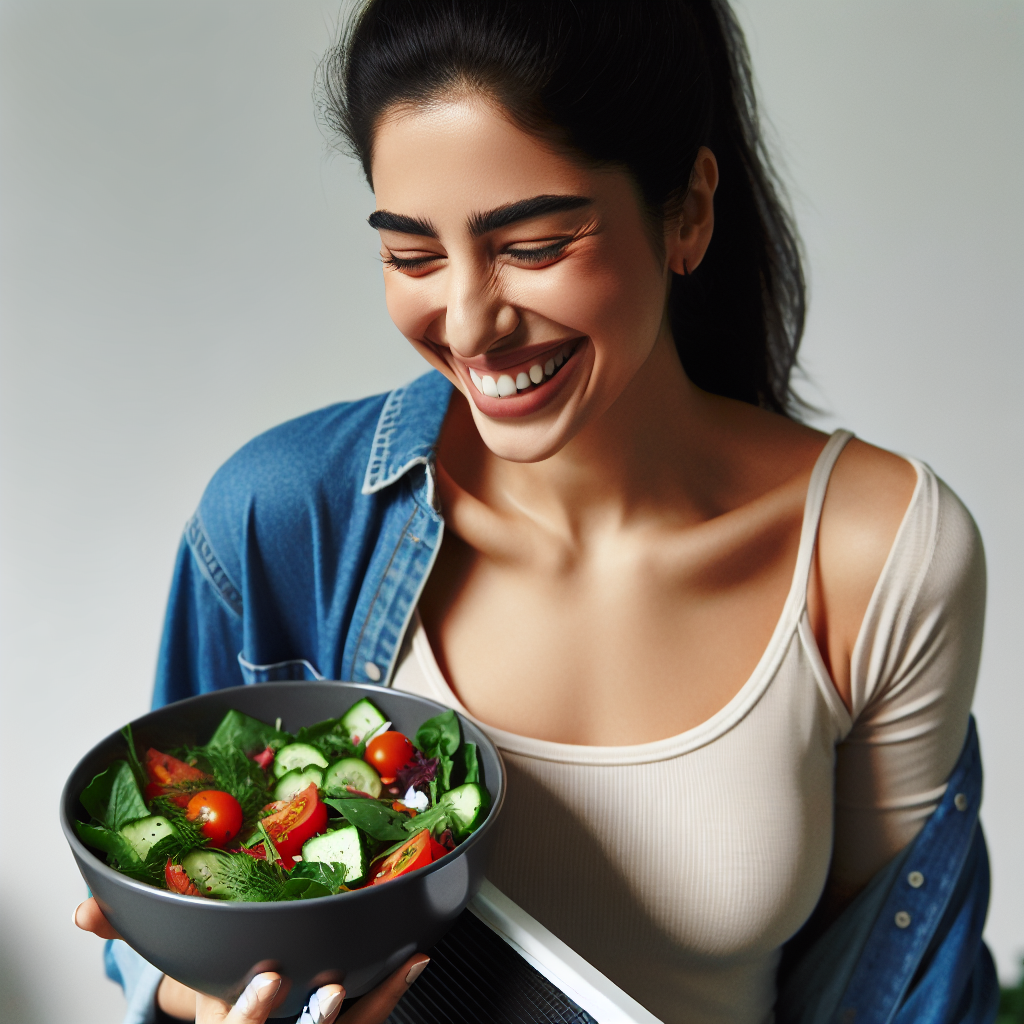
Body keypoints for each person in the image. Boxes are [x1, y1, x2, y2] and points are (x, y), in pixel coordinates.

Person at [74, 1, 997, 1022]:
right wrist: (180, 987)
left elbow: (897, 990)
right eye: (413, 257)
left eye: (535, 243)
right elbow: (170, 906)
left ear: (686, 211)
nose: (468, 320)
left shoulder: (876, 550)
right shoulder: (282, 518)